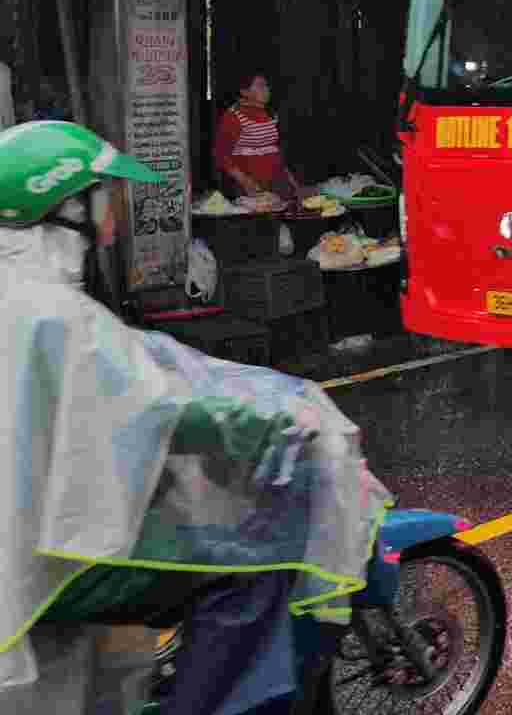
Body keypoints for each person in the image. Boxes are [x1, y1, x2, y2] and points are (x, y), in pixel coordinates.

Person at [0, 120, 389, 715]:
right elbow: (159, 408)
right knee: (250, 564)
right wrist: (274, 421)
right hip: (46, 552)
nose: (113, 209)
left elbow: (109, 385)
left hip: (27, 525)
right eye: (101, 195)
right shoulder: (50, 312)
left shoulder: (24, 290)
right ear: (68, 207)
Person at [212, 71, 300, 201]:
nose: (267, 90)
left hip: (277, 180)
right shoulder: (233, 116)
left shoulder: (271, 114)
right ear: (244, 92)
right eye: (260, 86)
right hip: (250, 183)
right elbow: (221, 154)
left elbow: (274, 149)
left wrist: (290, 180)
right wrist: (244, 181)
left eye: (266, 86)